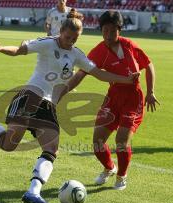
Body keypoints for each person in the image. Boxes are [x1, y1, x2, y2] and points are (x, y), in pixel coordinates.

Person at [0, 9, 138, 203]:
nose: (70, 41)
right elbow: (20, 50)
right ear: (61, 31)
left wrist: (126, 79)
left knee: (51, 148)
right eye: (67, 37)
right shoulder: (47, 43)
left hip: (47, 104)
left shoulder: (76, 55)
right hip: (30, 96)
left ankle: (33, 192)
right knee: (8, 145)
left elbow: (99, 73)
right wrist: (0, 47)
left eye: (75, 39)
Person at [64, 10, 159, 190]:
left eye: (112, 31)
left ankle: (121, 176)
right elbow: (81, 73)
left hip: (133, 99)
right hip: (113, 97)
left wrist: (151, 92)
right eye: (104, 31)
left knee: (122, 141)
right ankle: (109, 168)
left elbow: (148, 64)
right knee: (97, 141)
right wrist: (64, 90)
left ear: (119, 29)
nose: (108, 35)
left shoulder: (130, 45)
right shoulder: (99, 51)